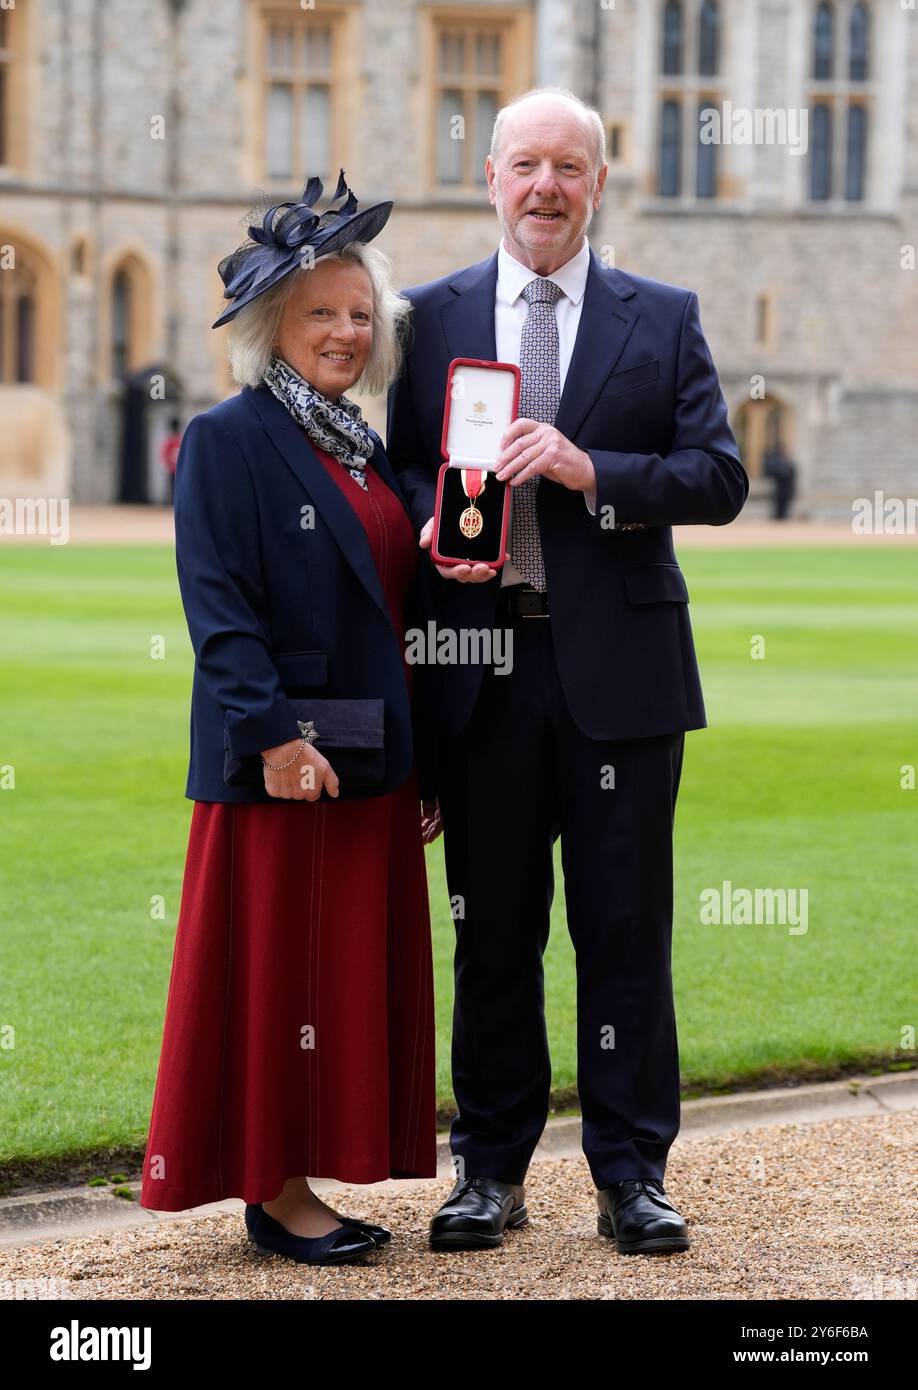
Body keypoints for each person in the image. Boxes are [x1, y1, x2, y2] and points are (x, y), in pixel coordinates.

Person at [387, 88, 748, 1256]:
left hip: (624, 675)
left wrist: (596, 470)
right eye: (526, 164)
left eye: (570, 168)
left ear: (600, 183)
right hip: (481, 666)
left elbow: (717, 478)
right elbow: (392, 483)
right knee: (492, 932)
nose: (547, 186)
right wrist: (428, 526)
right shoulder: (428, 317)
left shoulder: (664, 315)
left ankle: (630, 1171)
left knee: (624, 927)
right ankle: (489, 1169)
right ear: (489, 175)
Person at [140, 171, 440, 1267]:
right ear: (275, 325)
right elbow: (218, 611)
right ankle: (276, 1191)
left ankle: (304, 1175)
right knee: (280, 979)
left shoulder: (357, 445)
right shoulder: (230, 438)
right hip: (283, 763)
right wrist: (271, 736)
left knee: (337, 979)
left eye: (361, 314)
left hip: (364, 759)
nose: (347, 332)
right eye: (322, 312)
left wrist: (421, 761)